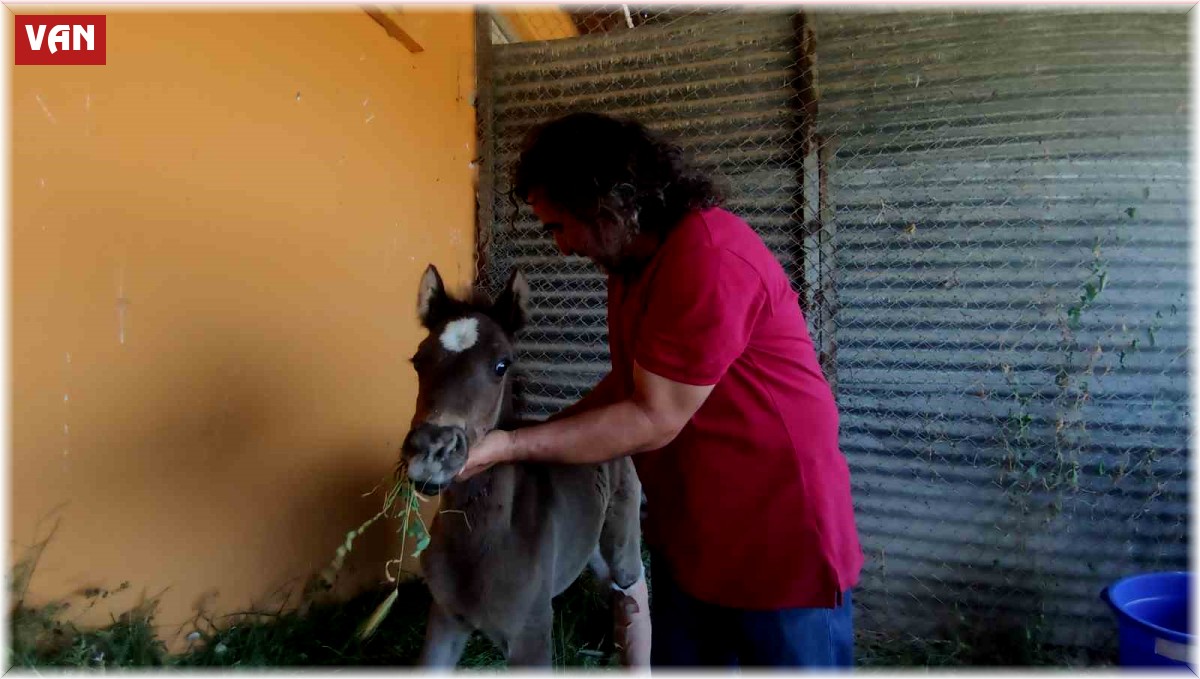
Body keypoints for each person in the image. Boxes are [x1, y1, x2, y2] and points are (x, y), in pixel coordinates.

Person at [457, 111, 863, 668]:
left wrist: (511, 447)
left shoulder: (708, 258)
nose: (561, 248)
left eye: (558, 227)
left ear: (602, 204)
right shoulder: (632, 270)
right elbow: (630, 383)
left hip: (775, 543)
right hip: (695, 537)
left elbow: (652, 416)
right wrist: (534, 434)